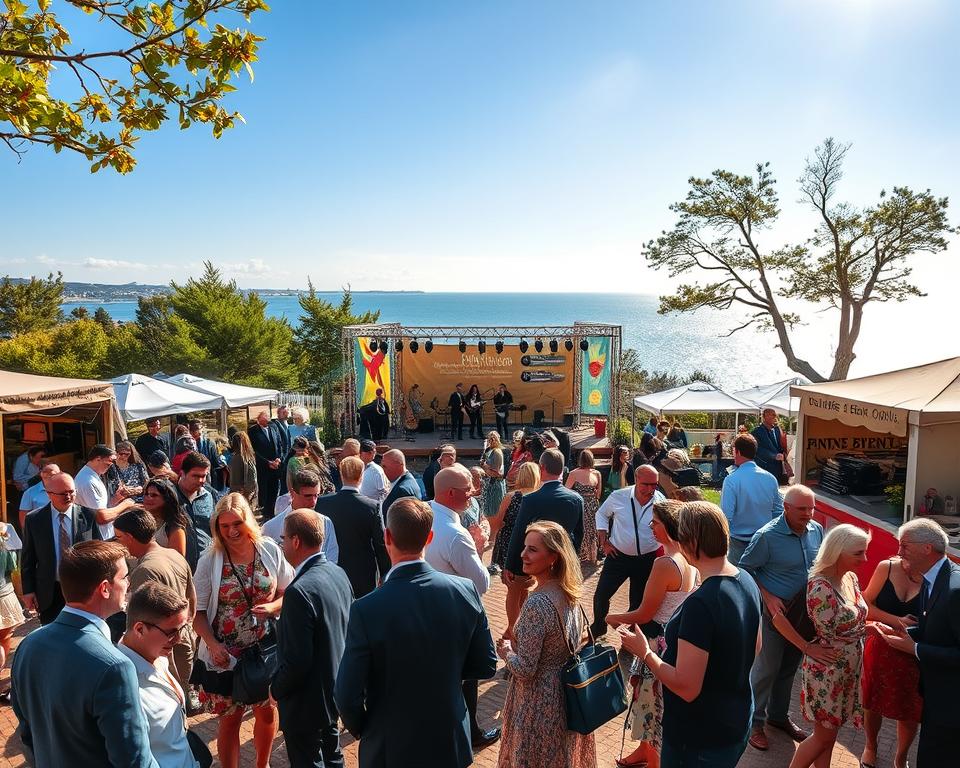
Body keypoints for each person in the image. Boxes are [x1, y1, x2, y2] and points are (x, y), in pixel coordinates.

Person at [335, 497, 498, 768]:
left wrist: (368, 728)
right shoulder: (465, 590)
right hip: (448, 735)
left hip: (391, 742)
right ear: (430, 537)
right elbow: (486, 663)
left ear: (387, 536)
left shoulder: (366, 609)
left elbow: (347, 694)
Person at [619, 502, 762, 768]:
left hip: (698, 737)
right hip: (735, 719)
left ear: (691, 541)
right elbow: (755, 647)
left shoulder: (703, 602)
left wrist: (645, 653)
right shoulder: (746, 579)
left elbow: (686, 687)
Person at [12, 541, 158, 767]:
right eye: (124, 577)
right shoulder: (115, 666)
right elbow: (134, 761)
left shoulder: (27, 645)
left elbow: (27, 731)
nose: (128, 584)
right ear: (105, 588)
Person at [192, 493, 294, 768]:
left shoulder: (269, 550)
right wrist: (213, 645)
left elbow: (288, 591)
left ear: (248, 521)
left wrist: (273, 607)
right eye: (224, 526)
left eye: (237, 523)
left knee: (267, 712)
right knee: (230, 720)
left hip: (264, 649)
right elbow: (197, 613)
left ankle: (262, 765)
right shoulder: (209, 560)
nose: (231, 531)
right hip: (226, 655)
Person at [496, 521, 597, 768]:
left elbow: (526, 670)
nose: (523, 555)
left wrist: (507, 651)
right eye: (524, 547)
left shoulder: (537, 604)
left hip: (538, 701)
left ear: (553, 557)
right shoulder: (569, 592)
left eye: (532, 549)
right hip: (565, 694)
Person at [605, 501, 698, 768]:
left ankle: (653, 759)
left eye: (654, 522)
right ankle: (644, 753)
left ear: (668, 527)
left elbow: (645, 613)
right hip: (670, 639)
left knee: (652, 704)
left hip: (656, 642)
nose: (650, 527)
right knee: (646, 700)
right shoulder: (689, 559)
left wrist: (613, 618)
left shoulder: (665, 563)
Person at [739, 484, 824, 751]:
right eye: (802, 509)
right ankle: (753, 723)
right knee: (767, 669)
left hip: (804, 616)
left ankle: (777, 717)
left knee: (788, 669)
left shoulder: (817, 530)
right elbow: (744, 570)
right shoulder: (766, 536)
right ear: (786, 508)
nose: (808, 514)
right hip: (776, 615)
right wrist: (767, 595)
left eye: (811, 508)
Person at [426, 464, 500, 749]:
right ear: (451, 493)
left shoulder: (425, 514)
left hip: (428, 612)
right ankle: (469, 735)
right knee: (466, 679)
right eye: (468, 489)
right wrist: (479, 545)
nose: (473, 493)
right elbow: (481, 584)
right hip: (455, 618)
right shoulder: (456, 534)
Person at [876, 518, 960, 768]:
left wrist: (913, 648)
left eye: (905, 546)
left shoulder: (955, 590)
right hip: (937, 699)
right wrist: (908, 633)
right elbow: (934, 628)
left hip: (952, 706)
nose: (899, 552)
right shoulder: (932, 578)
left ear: (927, 548)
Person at [272, 510, 353, 768]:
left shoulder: (299, 591)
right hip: (333, 691)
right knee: (333, 756)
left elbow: (297, 660)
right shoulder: (338, 573)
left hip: (306, 701)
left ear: (296, 541)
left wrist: (275, 689)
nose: (282, 544)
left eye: (283, 538)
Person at [788, 524, 869, 768]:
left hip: (844, 671)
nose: (864, 559)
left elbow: (856, 618)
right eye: (858, 553)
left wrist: (871, 627)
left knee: (828, 736)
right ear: (837, 551)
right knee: (822, 737)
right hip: (827, 673)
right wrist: (865, 630)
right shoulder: (820, 586)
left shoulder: (850, 578)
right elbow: (830, 630)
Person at [114, 508, 197, 698]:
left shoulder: (144, 570)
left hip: (164, 653)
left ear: (129, 537)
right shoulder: (173, 555)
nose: (118, 542)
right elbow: (191, 600)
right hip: (182, 642)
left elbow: (140, 625)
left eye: (119, 537)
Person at [503, 449, 584, 640]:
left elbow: (519, 532)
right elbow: (578, 536)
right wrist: (572, 562)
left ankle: (518, 636)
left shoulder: (531, 499)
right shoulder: (576, 499)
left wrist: (510, 565)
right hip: (561, 560)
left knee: (524, 596)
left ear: (542, 468)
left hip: (535, 559)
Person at [118, 582, 200, 768]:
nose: (178, 639)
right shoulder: (124, 687)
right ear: (140, 629)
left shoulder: (158, 656)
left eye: (182, 629)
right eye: (171, 632)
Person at [859, 554, 923, 768]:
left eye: (906, 546)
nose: (900, 550)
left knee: (910, 708)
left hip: (913, 653)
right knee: (873, 701)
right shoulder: (885, 567)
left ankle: (901, 756)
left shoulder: (936, 577)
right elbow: (865, 602)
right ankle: (870, 746)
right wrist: (896, 621)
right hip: (881, 646)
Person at [591, 464, 664, 638]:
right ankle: (599, 627)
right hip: (618, 557)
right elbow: (601, 514)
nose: (650, 489)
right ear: (636, 479)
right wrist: (603, 539)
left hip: (647, 558)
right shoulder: (619, 497)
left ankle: (632, 635)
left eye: (654, 485)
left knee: (638, 601)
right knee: (601, 595)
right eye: (646, 484)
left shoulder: (660, 501)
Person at [20, 471, 101, 624]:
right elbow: (28, 559)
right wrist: (28, 591)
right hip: (50, 591)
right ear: (49, 494)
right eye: (63, 493)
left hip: (82, 590)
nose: (69, 497)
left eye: (71, 492)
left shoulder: (88, 516)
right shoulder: (35, 520)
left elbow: (98, 552)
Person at [316, 456, 391, 598]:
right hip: (363, 573)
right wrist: (385, 572)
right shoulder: (372, 506)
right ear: (361, 476)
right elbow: (380, 543)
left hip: (330, 570)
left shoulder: (322, 503)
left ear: (341, 474)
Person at [720, 434, 784, 565]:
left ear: (737, 451)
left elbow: (726, 516)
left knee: (738, 581)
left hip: (739, 542)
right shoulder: (770, 478)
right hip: (764, 540)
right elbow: (778, 511)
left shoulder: (732, 480)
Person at [262, 469, 339, 562]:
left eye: (316, 495)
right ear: (292, 493)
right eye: (308, 496)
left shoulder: (325, 523)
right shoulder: (271, 528)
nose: (313, 501)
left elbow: (332, 558)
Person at [75, 443, 137, 540]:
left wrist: (116, 499)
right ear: (98, 459)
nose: (111, 465)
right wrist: (126, 504)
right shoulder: (87, 481)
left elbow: (98, 508)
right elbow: (101, 517)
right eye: (109, 462)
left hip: (104, 535)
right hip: (98, 537)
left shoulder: (92, 475)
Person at [489, 461, 540, 575]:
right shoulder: (540, 497)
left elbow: (498, 522)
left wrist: (493, 536)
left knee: (511, 579)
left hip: (510, 542)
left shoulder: (511, 497)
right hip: (532, 542)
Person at [175, 452, 219, 556]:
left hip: (208, 559)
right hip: (180, 562)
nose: (200, 480)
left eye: (203, 476)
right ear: (182, 473)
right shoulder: (170, 496)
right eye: (195, 476)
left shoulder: (210, 495)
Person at [0, 520, 24, 703]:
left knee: (4, 638)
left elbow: (14, 568)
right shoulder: (5, 530)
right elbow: (13, 568)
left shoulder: (5, 529)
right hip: (4, 593)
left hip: (4, 593)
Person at [566, 449, 602, 566]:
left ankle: (582, 556)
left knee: (581, 529)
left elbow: (566, 491)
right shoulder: (597, 474)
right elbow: (598, 494)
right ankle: (593, 555)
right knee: (593, 529)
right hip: (593, 505)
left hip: (580, 504)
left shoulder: (573, 473)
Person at [249, 409, 284, 519]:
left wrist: (278, 459)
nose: (266, 422)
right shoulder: (253, 431)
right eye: (264, 420)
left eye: (267, 420)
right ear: (259, 420)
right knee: (264, 492)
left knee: (274, 491)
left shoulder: (273, 428)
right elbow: (253, 451)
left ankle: (271, 512)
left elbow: (279, 444)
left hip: (275, 467)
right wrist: (267, 462)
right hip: (263, 468)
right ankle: (264, 514)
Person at [751, 408, 787, 484]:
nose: (775, 417)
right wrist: (773, 456)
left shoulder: (777, 430)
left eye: (775, 415)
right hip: (764, 468)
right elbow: (757, 449)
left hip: (778, 469)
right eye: (773, 415)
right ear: (764, 417)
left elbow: (780, 446)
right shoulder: (757, 432)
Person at [18, 461, 59, 526]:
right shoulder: (29, 493)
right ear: (41, 473)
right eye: (46, 472)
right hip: (40, 530)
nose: (50, 476)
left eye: (54, 474)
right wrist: (26, 534)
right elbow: (23, 516)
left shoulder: (67, 490)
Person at [189, 420, 225, 491]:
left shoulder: (209, 444)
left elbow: (216, 463)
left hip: (207, 478)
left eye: (197, 429)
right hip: (194, 478)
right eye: (192, 430)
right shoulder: (187, 444)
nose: (195, 432)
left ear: (201, 429)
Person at [228, 430, 258, 510]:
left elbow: (234, 479)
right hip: (248, 493)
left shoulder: (237, 458)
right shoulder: (249, 458)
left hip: (241, 493)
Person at [480, 431, 506, 520]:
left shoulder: (497, 452)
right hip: (489, 484)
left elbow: (495, 473)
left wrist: (485, 467)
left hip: (495, 484)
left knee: (494, 511)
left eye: (492, 439)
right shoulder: (488, 450)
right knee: (487, 510)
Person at [358, 439, 390, 511]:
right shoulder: (355, 466)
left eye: (374, 451)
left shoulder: (377, 471)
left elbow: (384, 492)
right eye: (369, 452)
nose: (373, 453)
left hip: (372, 508)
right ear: (361, 452)